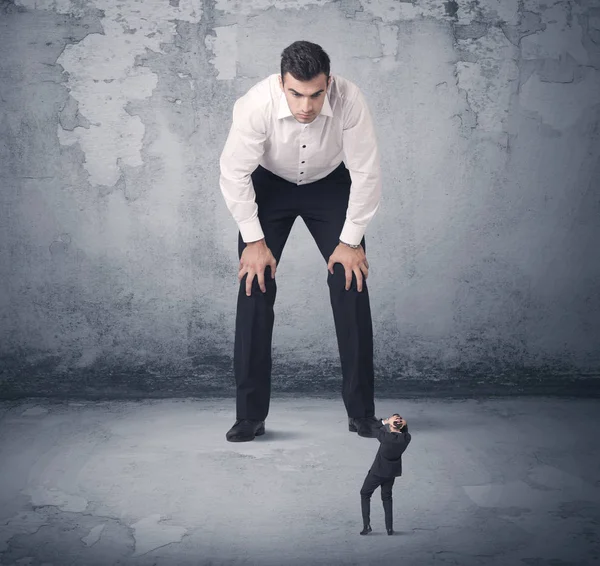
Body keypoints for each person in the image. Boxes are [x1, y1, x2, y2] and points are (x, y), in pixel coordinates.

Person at [219, 40, 383, 442]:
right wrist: (254, 240)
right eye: (296, 93)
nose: (306, 106)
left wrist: (351, 240)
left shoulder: (349, 99)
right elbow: (233, 173)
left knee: (351, 280)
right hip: (269, 185)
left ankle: (362, 413)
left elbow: (366, 172)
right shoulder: (255, 104)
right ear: (282, 83)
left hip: (329, 185)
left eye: (315, 94)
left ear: (328, 83)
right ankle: (249, 416)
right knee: (253, 284)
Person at [359, 414, 411, 535]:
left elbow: (372, 427)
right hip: (391, 473)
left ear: (391, 426)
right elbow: (404, 431)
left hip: (377, 472)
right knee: (387, 498)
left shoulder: (385, 437)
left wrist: (386, 421)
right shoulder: (406, 438)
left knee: (365, 494)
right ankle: (389, 528)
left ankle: (367, 526)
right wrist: (403, 423)